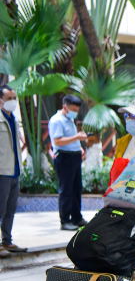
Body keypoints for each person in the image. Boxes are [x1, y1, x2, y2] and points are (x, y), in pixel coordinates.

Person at [49, 94, 88, 231]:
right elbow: (58, 141)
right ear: (64, 107)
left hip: (74, 156)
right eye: (73, 109)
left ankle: (76, 217)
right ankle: (65, 220)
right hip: (64, 158)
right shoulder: (57, 121)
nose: (75, 112)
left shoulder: (69, 119)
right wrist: (77, 137)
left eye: (77, 109)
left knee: (76, 188)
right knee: (66, 190)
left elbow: (69, 139)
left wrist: (78, 147)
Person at [0, 85, 26, 257]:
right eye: (9, 98)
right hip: (2, 171)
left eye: (14, 98)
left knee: (10, 209)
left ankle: (7, 241)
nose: (13, 101)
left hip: (14, 170)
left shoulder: (14, 120)